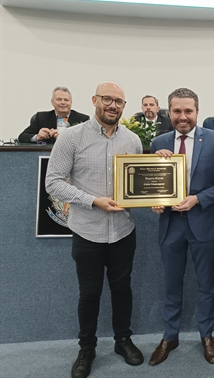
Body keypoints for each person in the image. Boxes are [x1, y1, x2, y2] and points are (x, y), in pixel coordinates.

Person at [45, 82, 144, 378]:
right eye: (107, 99)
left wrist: (157, 196)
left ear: (124, 107)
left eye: (119, 102)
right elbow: (53, 182)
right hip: (87, 230)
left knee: (122, 288)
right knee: (89, 293)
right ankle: (87, 347)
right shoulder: (71, 137)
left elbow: (138, 184)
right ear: (95, 100)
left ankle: (122, 340)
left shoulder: (133, 140)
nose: (113, 106)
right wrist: (92, 201)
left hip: (124, 230)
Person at [148, 88, 214, 367]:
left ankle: (206, 335)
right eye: (177, 111)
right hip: (171, 225)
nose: (182, 117)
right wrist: (156, 201)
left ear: (197, 111)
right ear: (169, 112)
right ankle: (170, 336)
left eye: (188, 111)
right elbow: (151, 186)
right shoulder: (158, 142)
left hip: (203, 223)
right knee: (171, 285)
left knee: (206, 284)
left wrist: (198, 198)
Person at [18, 87, 90, 143]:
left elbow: (88, 141)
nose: (63, 102)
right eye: (59, 99)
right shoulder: (41, 117)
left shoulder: (83, 119)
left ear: (71, 103)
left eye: (66, 100)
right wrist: (37, 137)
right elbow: (22, 137)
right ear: (52, 102)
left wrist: (65, 138)